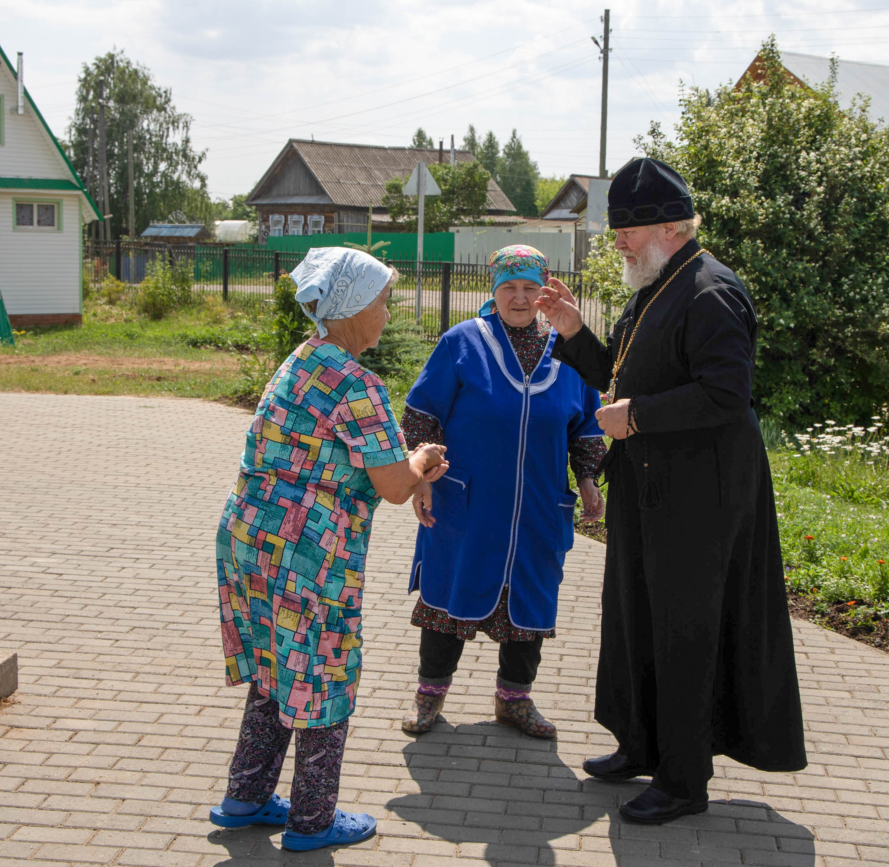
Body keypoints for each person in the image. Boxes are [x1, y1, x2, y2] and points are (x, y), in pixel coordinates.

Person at [535, 158, 806, 824]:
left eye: (625, 230)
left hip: (701, 497)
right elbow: (624, 377)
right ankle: (642, 743)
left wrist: (639, 418)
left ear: (666, 226)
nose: (616, 242)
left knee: (685, 628)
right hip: (652, 487)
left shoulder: (712, 290)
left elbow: (726, 394)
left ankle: (684, 779)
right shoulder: (659, 284)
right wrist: (573, 332)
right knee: (636, 616)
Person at [212, 248, 449, 851]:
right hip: (308, 555)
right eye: (384, 302)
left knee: (274, 668)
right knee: (323, 674)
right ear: (351, 308)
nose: (388, 315)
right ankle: (312, 822)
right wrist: (421, 463)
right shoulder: (357, 383)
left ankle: (246, 795)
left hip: (251, 541)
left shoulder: (301, 361)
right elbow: (394, 486)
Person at [398, 245, 607, 739]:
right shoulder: (462, 342)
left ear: (545, 290)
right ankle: (429, 698)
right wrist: (421, 481)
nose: (519, 298)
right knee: (448, 599)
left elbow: (585, 426)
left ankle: (514, 700)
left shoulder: (568, 349)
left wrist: (588, 479)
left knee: (530, 603)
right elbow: (422, 414)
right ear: (493, 291)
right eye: (509, 288)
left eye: (529, 288)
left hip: (539, 505)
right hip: (465, 502)